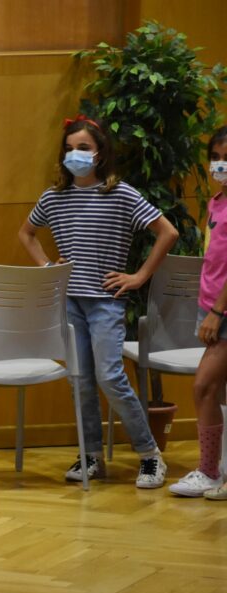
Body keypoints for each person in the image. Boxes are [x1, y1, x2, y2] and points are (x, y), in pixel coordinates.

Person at [18, 115, 179, 487]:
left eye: (84, 148)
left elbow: (166, 232)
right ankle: (90, 455)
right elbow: (26, 233)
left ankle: (149, 454)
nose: (76, 155)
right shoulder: (54, 197)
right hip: (70, 301)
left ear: (101, 153)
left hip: (105, 302)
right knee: (81, 381)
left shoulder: (120, 193)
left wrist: (139, 276)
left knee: (110, 376)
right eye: (70, 149)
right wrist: (46, 265)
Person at [172, 126, 227, 498]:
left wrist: (218, 312)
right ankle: (216, 471)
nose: (221, 165)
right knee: (215, 389)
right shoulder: (216, 202)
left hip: (222, 312)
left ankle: (208, 471)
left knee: (204, 385)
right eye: (217, 157)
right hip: (210, 306)